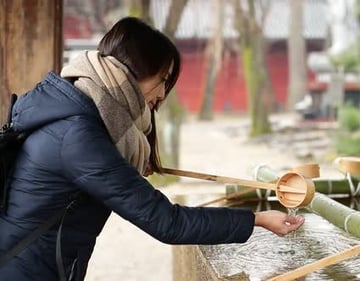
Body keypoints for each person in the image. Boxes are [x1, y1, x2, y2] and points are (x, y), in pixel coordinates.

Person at [0, 17, 304, 281]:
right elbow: (166, 222)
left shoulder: (77, 113)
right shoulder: (79, 136)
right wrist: (256, 219)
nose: (161, 94)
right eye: (162, 80)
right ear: (135, 71)